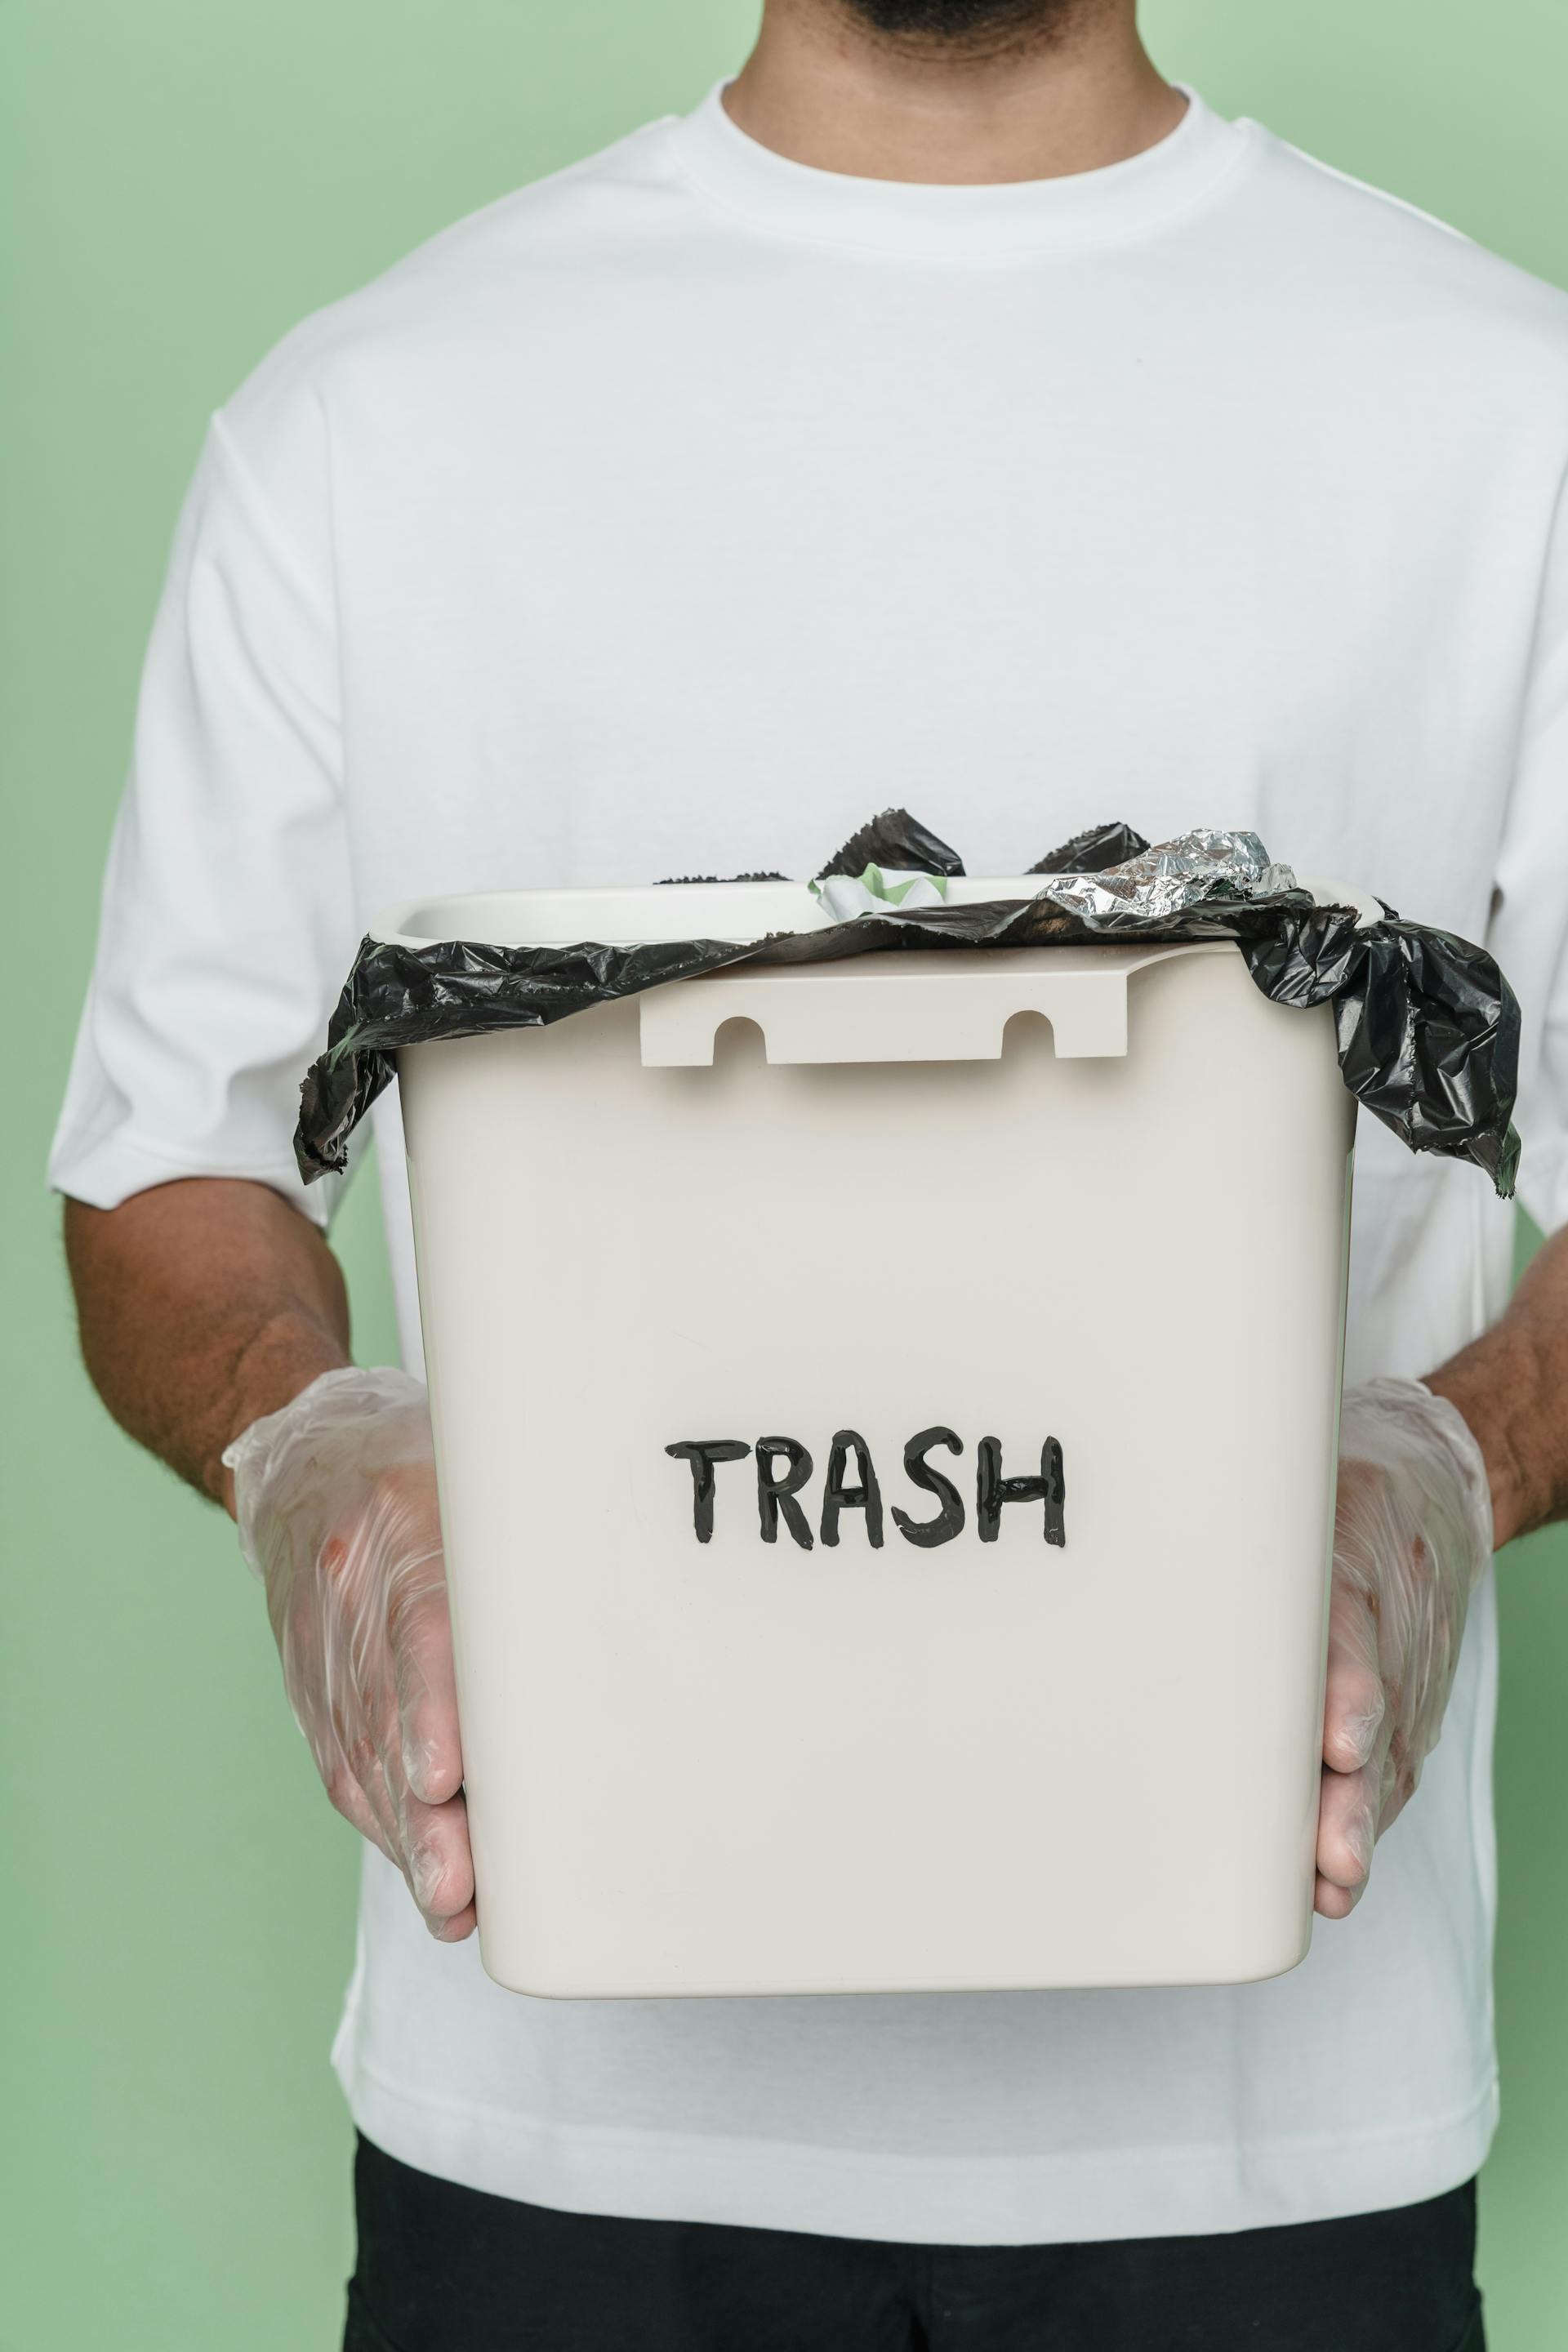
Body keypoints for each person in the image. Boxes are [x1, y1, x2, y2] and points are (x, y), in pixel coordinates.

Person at [51, 0, 1568, 2343]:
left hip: (1275, 2131)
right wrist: (309, 1460)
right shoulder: (373, 421)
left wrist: (1443, 1467)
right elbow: (168, 1166)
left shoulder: (1506, 413)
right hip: (553, 2124)